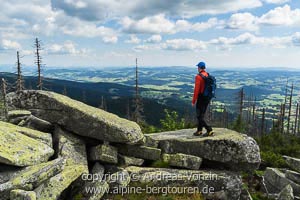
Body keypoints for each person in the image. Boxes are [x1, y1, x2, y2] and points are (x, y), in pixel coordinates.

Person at [192, 61, 214, 136]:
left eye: (198, 67)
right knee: (201, 115)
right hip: (207, 97)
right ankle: (199, 130)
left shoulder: (198, 77)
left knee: (199, 116)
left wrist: (193, 100)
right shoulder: (207, 75)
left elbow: (196, 90)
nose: (197, 68)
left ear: (199, 68)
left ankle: (209, 130)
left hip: (201, 97)